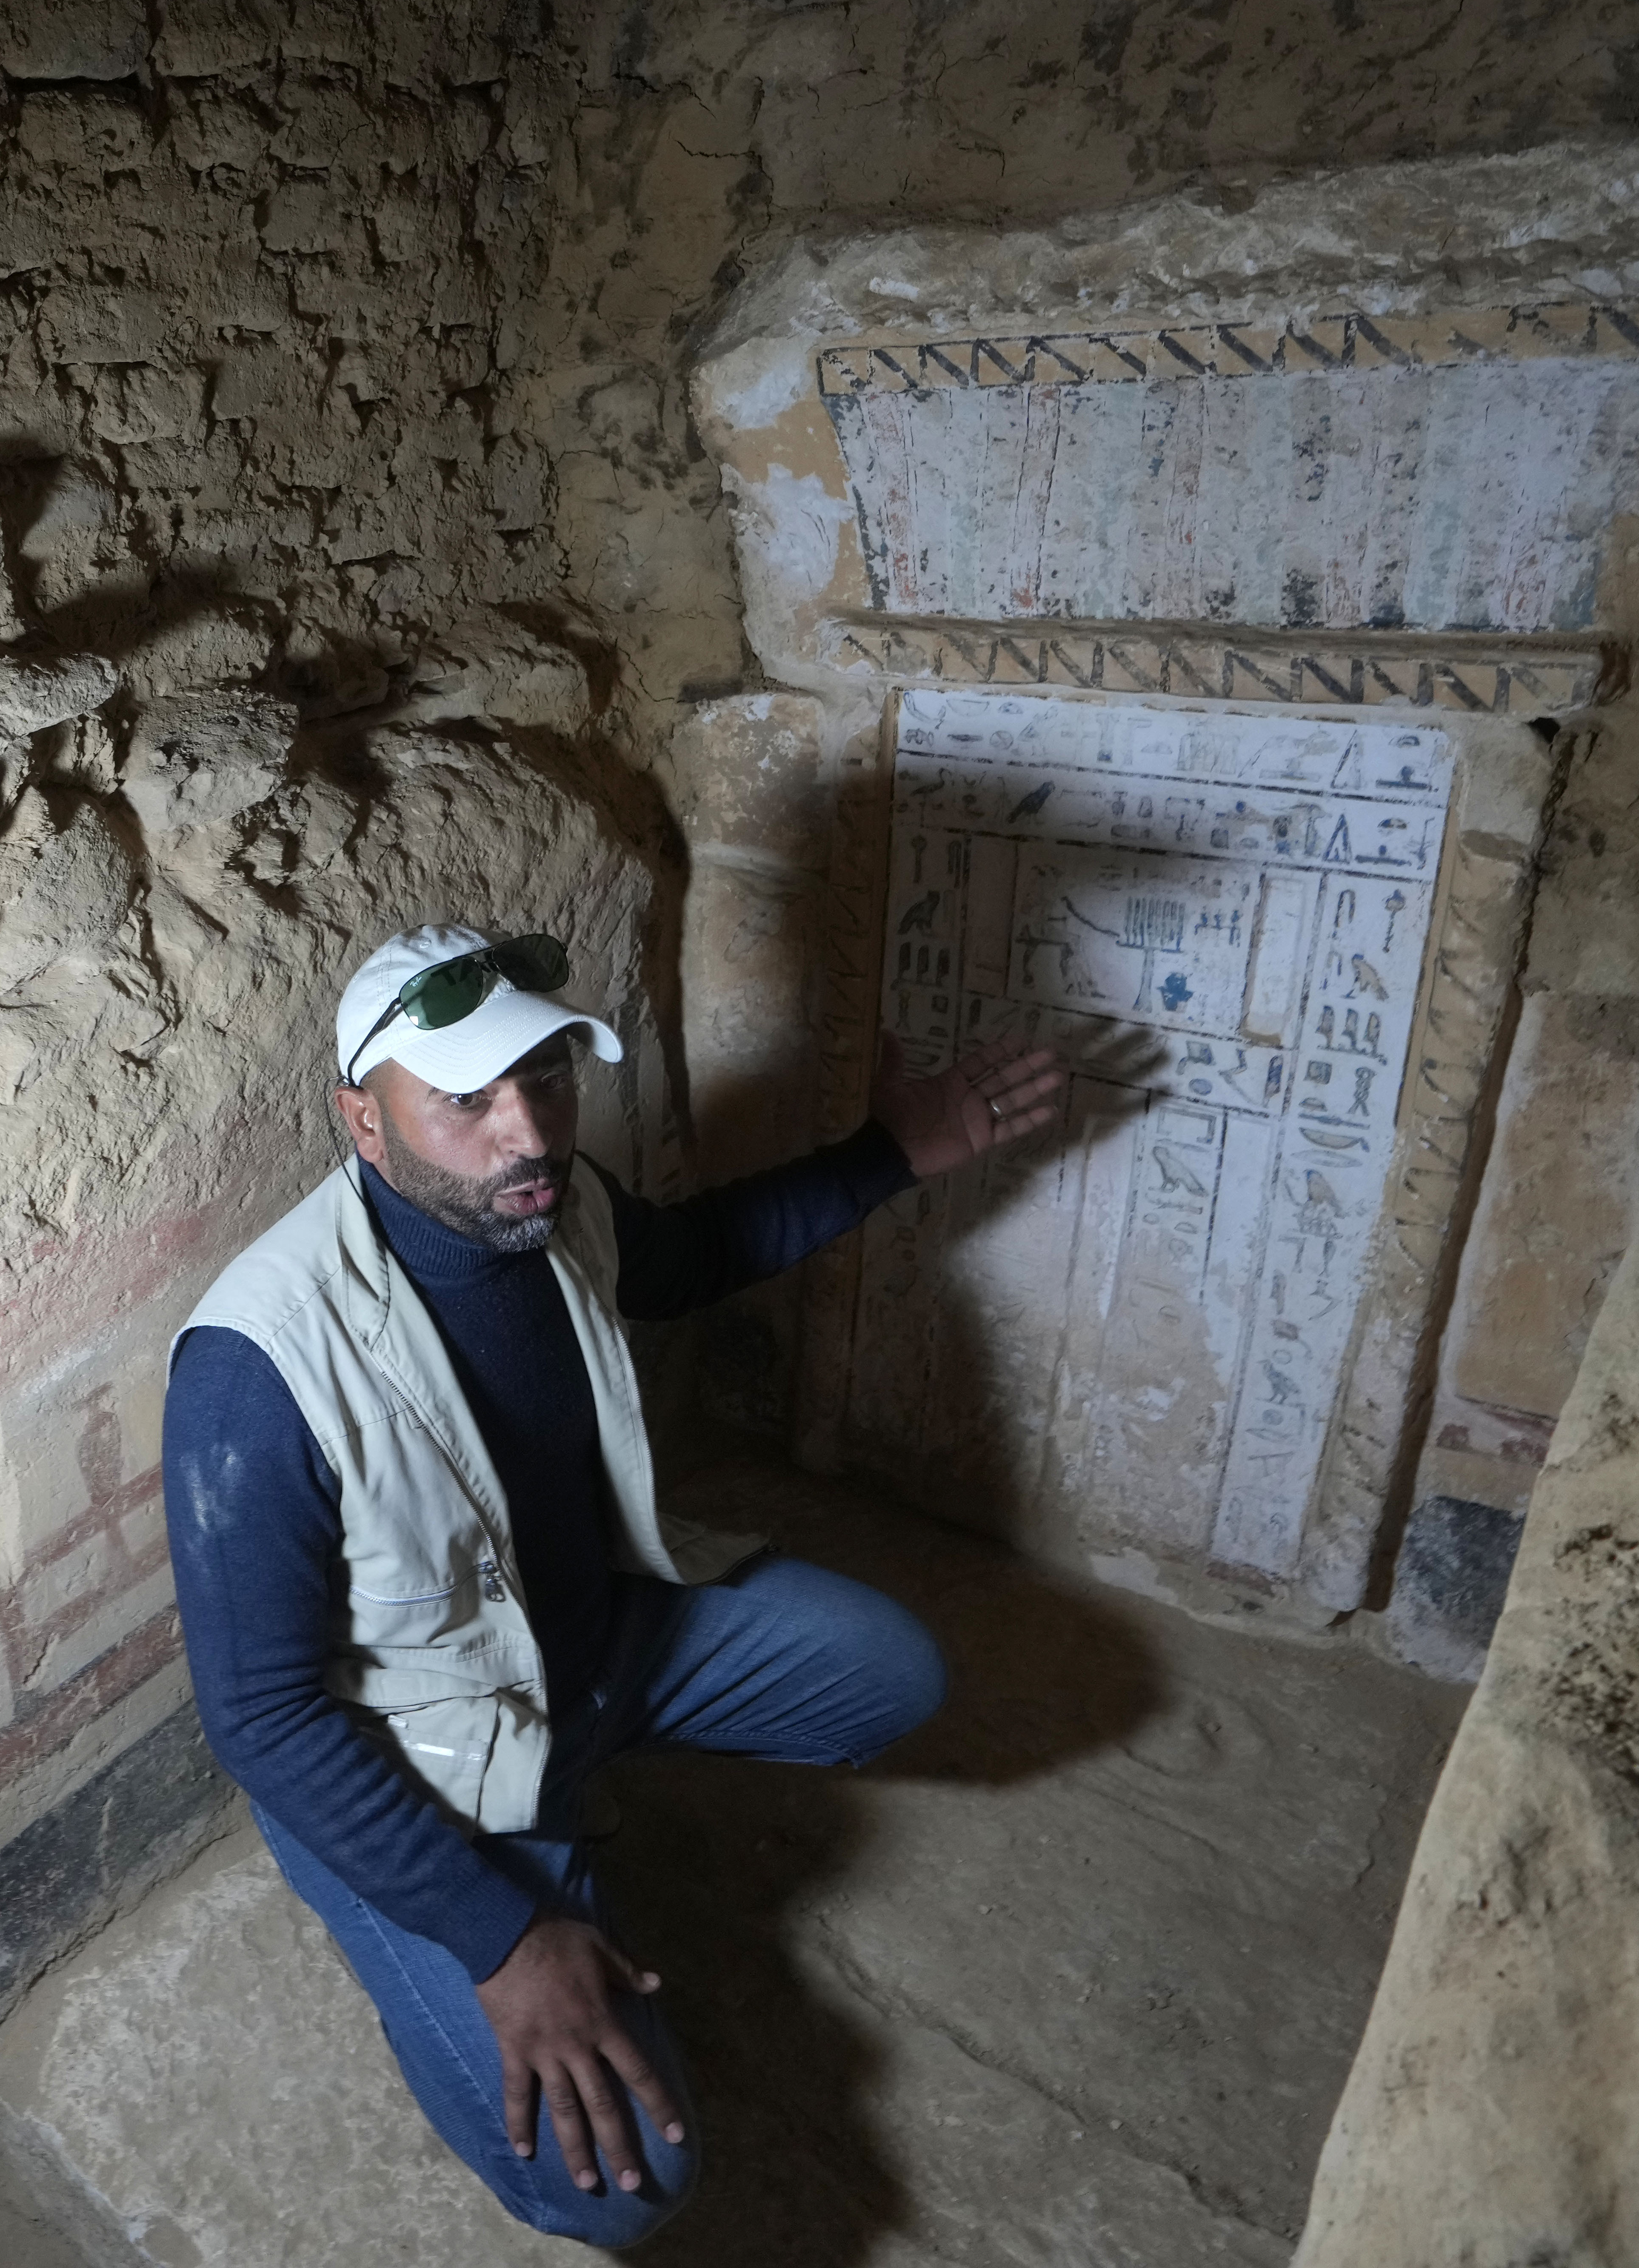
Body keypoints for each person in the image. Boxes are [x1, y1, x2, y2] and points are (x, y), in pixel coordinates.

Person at [162, 922, 1062, 2246]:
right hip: (425, 1747)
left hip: (594, 1647)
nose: (527, 1132)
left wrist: (892, 1153)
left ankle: (577, 1770)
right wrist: (499, 1935)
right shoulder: (258, 1369)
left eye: (547, 1080)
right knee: (622, 2186)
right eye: (466, 1100)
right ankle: (429, 1886)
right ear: (365, 1121)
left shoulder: (555, 1201)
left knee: (891, 1674)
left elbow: (691, 1254)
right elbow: (264, 1720)